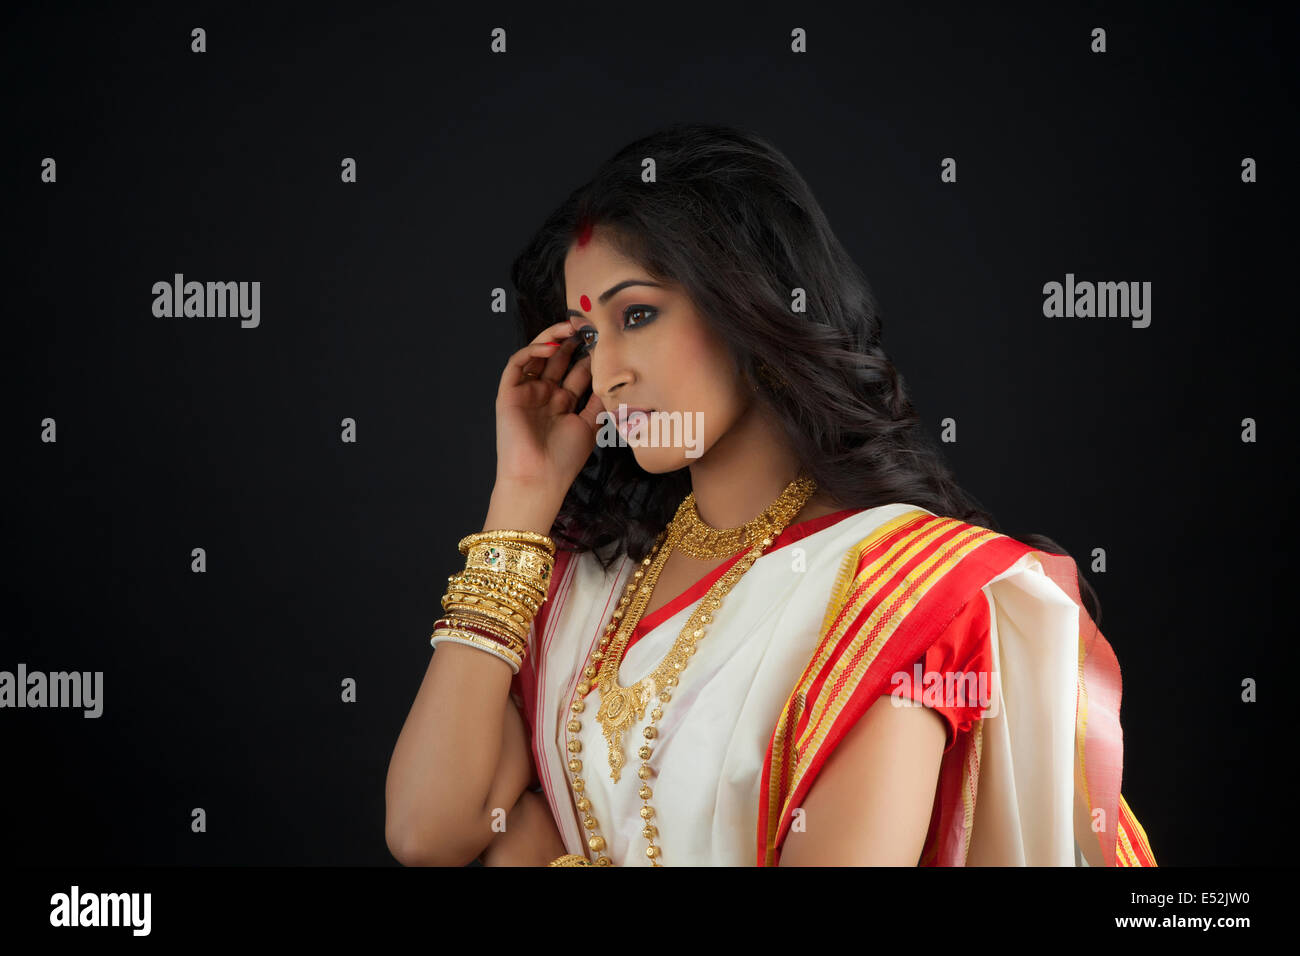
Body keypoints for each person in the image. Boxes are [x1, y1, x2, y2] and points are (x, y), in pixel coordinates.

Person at [384, 122, 1158, 867]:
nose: (609, 370)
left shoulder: (903, 600)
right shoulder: (585, 589)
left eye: (638, 315)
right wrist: (523, 494)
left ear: (745, 302)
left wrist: (532, 851)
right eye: (587, 338)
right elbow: (428, 830)